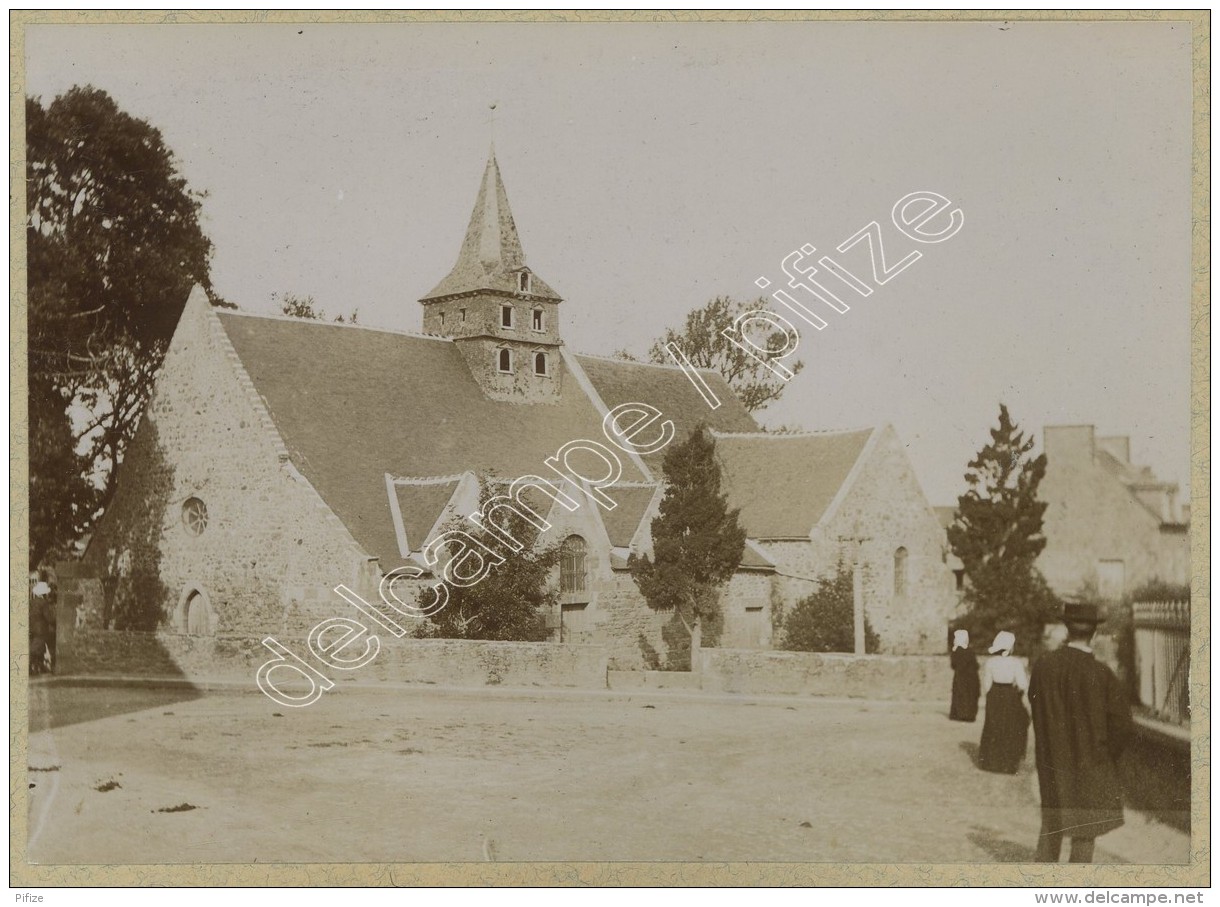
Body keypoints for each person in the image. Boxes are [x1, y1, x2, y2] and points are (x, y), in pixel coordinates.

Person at [1029, 601, 1134, 863]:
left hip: (1052, 760)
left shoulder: (1043, 667)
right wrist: (1105, 754)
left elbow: (1035, 704)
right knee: (1084, 834)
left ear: (1066, 628)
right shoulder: (1102, 674)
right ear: (1094, 633)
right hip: (1090, 762)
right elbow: (1122, 725)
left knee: (1051, 825)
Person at [977, 630, 1030, 774]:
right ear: (1010, 647)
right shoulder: (1016, 663)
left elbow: (987, 683)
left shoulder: (991, 662)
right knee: (1010, 727)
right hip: (1010, 695)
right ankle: (1008, 763)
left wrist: (992, 695)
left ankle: (991, 762)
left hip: (994, 695)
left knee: (994, 725)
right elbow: (1023, 684)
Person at [949, 629, 980, 721]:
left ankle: (958, 714)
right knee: (970, 694)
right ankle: (968, 715)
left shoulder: (955, 651)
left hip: (960, 676)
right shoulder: (970, 652)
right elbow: (976, 665)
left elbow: (953, 665)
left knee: (960, 694)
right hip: (971, 677)